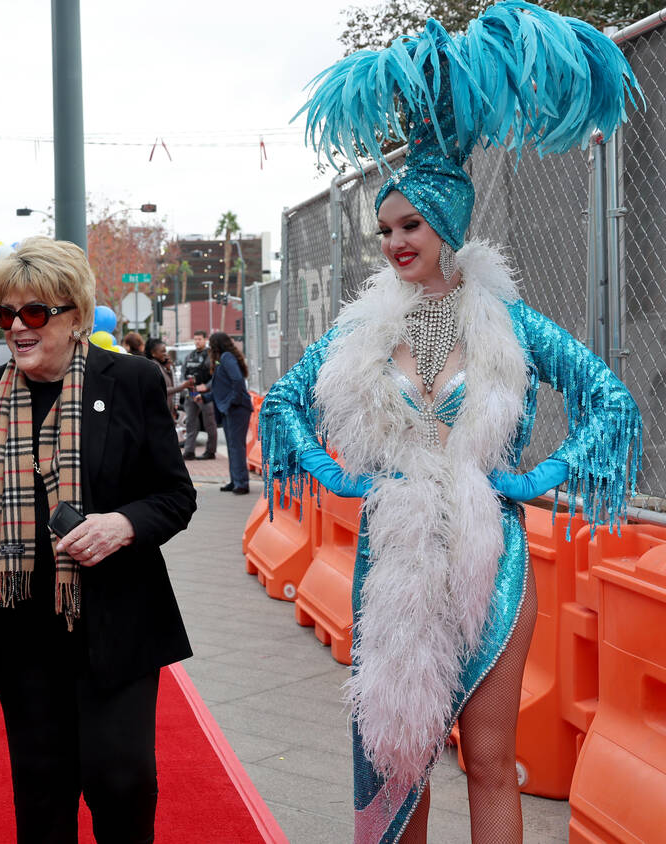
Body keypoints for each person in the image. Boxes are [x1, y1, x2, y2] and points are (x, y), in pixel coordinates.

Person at [269, 6, 642, 841]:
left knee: (486, 755)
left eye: (411, 225)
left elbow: (611, 401)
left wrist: (539, 480)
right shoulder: (363, 326)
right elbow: (286, 401)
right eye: (386, 231)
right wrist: (333, 475)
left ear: (449, 225)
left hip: (489, 555)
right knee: (395, 759)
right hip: (392, 552)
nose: (397, 243)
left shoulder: (512, 324)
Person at [0, 236, 196, 842]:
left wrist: (123, 525)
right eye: (5, 313)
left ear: (76, 317)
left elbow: (175, 496)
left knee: (122, 781)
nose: (17, 327)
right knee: (42, 791)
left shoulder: (133, 379)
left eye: (34, 313)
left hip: (116, 620)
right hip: (21, 627)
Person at [208, 332, 253, 495]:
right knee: (233, 446)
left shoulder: (226, 358)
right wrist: (205, 397)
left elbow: (237, 381)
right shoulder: (225, 357)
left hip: (237, 409)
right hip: (232, 409)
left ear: (217, 345)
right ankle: (236, 480)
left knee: (236, 447)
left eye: (211, 344)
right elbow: (223, 386)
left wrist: (230, 402)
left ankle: (241, 483)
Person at [181, 330, 217, 460]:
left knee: (209, 423)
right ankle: (189, 451)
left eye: (199, 339)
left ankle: (210, 451)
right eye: (195, 339)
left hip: (205, 393)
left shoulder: (210, 355)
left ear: (205, 340)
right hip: (191, 392)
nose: (197, 341)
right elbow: (183, 372)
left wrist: (206, 387)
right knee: (191, 422)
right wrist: (185, 385)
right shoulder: (190, 356)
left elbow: (216, 375)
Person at [145, 337, 188, 418]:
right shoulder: (154, 366)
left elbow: (171, 384)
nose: (166, 354)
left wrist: (169, 370)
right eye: (163, 351)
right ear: (153, 353)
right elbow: (162, 389)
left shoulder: (161, 365)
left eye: (166, 351)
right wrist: (183, 386)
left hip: (167, 410)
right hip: (159, 412)